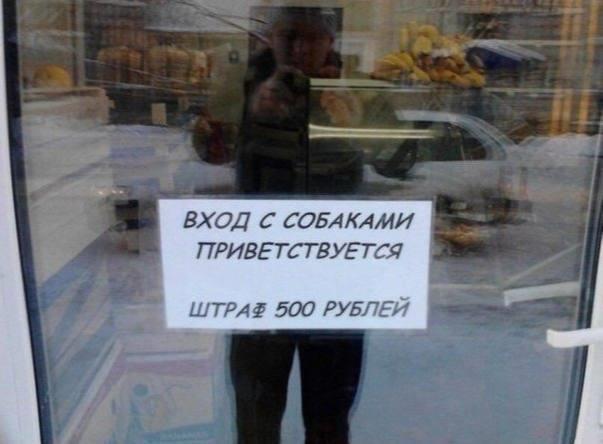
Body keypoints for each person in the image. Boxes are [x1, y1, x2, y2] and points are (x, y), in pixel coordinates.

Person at [231, 7, 364, 444]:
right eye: (290, 36)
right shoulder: (243, 82)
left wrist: (355, 124)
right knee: (256, 412)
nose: (301, 48)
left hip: (337, 273)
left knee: (330, 414)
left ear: (331, 42)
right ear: (271, 38)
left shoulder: (355, 86)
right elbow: (206, 147)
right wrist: (249, 111)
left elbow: (400, 160)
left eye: (312, 38)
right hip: (258, 271)